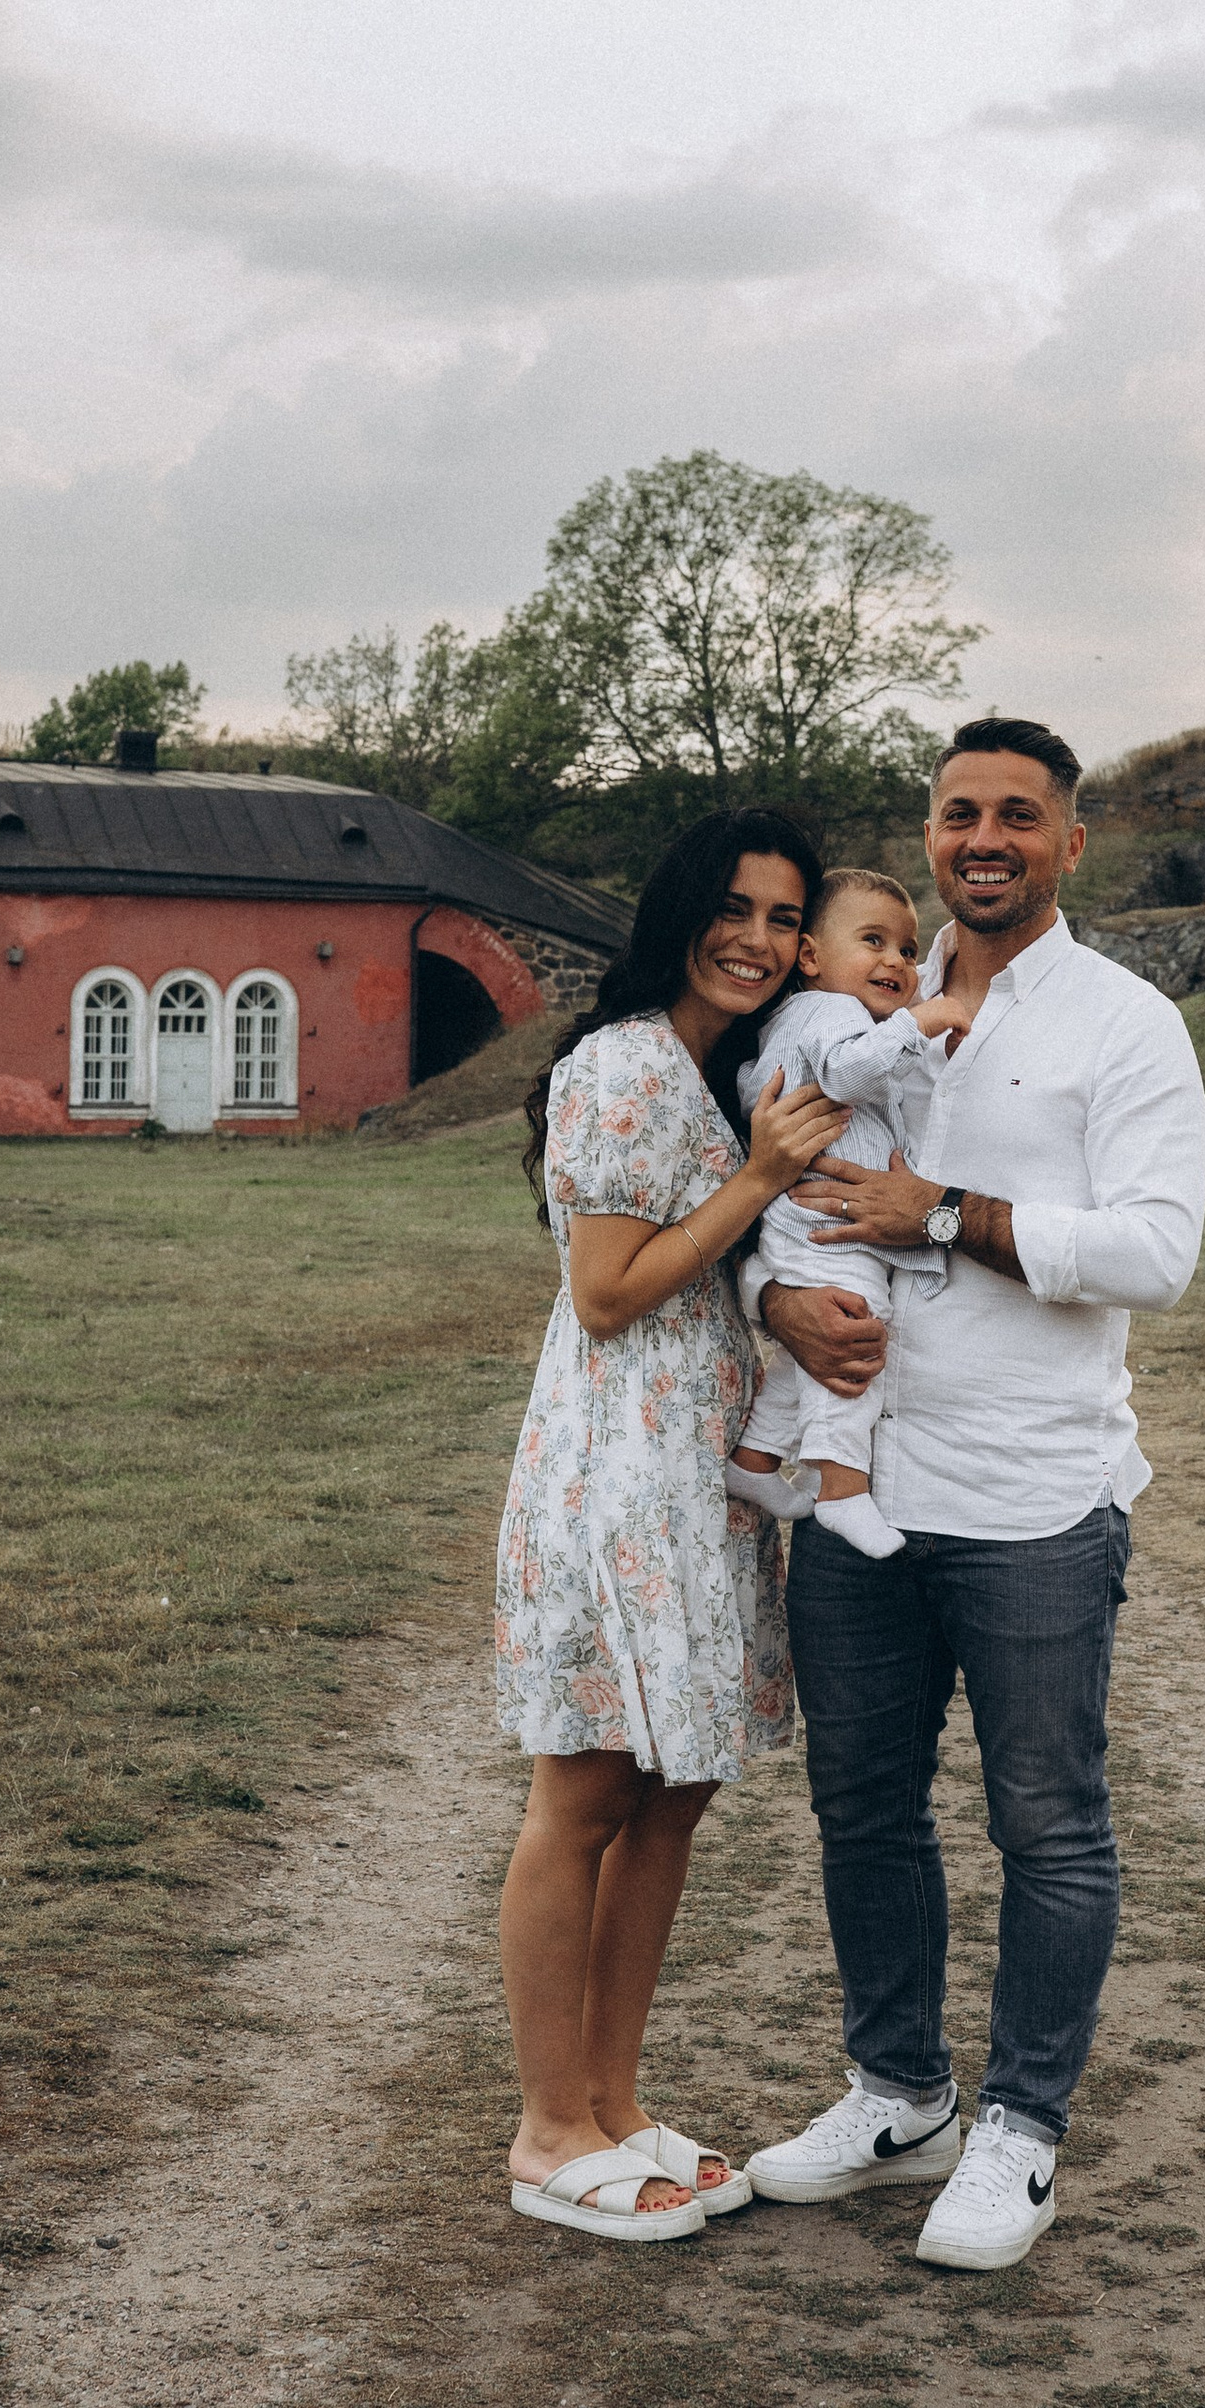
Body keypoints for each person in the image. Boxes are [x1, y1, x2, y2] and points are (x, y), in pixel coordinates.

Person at [739, 717, 1205, 2271]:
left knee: (1047, 1822)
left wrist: (938, 1212)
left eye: (1021, 815)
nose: (985, 838)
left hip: (1030, 1496)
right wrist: (771, 1302)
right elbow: (760, 1187)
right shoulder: (847, 1002)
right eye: (959, 814)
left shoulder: (1127, 1027)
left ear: (1074, 843)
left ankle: (1019, 2130)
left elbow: (1155, 1252)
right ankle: (898, 2093)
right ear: (929, 833)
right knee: (863, 1808)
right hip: (862, 1488)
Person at [493, 807, 848, 2241]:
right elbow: (610, 1293)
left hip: (701, 1484)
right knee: (582, 1798)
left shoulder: (736, 1067)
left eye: (784, 916)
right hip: (610, 1482)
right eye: (736, 908)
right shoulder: (625, 1065)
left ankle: (617, 2100)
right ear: (681, 911)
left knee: (673, 1795)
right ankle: (545, 2128)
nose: (757, 938)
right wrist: (756, 1182)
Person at [725, 870, 966, 1563]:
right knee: (853, 1341)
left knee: (814, 1355)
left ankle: (756, 1459)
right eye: (873, 941)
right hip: (822, 1225)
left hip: (805, 1224)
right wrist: (920, 1022)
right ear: (811, 957)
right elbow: (845, 1075)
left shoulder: (799, 1017)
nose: (895, 960)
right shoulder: (836, 1014)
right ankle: (839, 1488)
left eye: (907, 948)